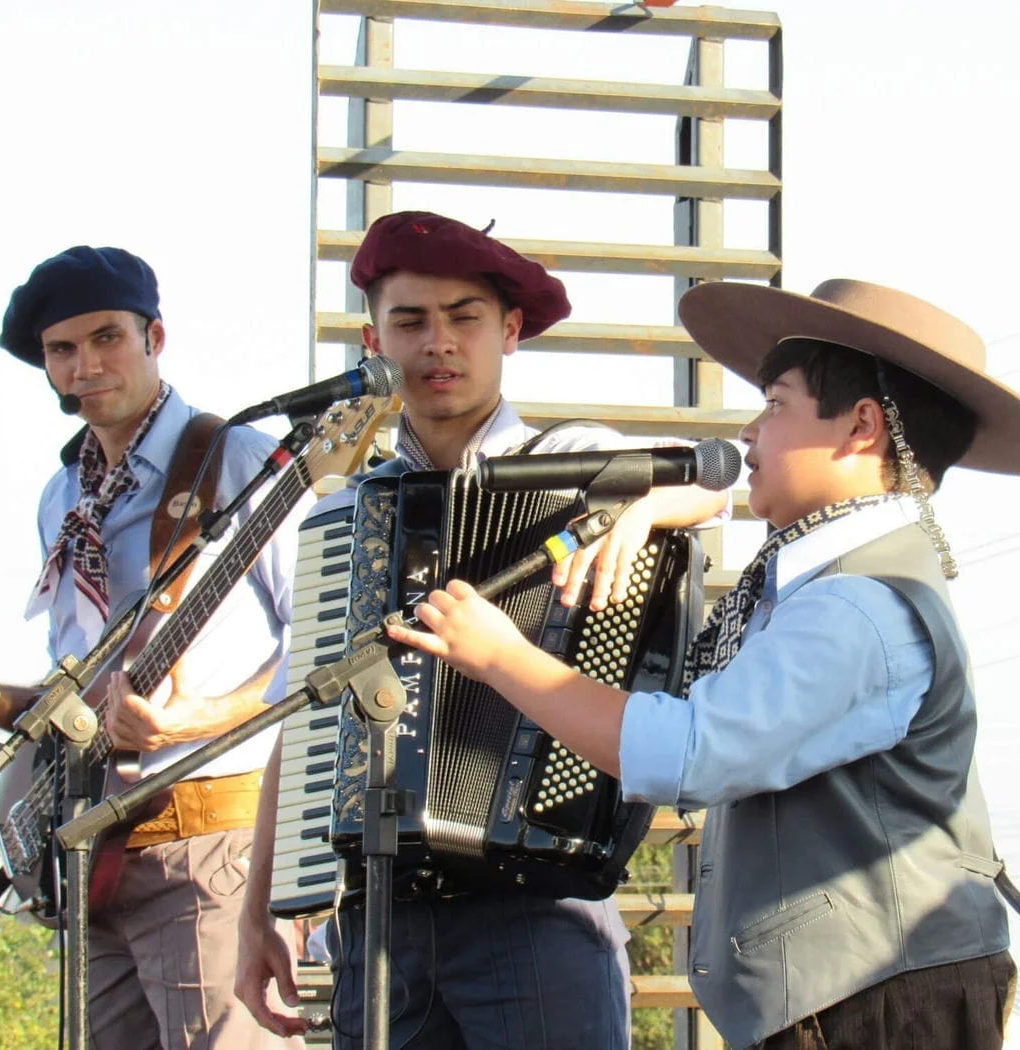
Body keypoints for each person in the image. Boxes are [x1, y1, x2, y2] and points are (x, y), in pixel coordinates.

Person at [385, 277, 1020, 1050]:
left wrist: (502, 658)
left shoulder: (859, 605)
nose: (749, 433)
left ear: (861, 427)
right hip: (850, 997)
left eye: (775, 406)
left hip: (881, 1001)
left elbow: (692, 751)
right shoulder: (817, 584)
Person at [234, 210, 730, 1050]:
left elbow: (709, 483)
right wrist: (259, 911)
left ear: (509, 331)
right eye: (410, 322)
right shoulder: (346, 518)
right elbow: (306, 720)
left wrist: (643, 510)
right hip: (380, 921)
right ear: (373, 342)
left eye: (464, 318)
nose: (439, 343)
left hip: (540, 907)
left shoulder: (573, 460)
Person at [0, 245, 305, 1050]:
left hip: (210, 846)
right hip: (92, 850)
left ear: (154, 337)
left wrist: (204, 716)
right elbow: (82, 687)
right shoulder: (62, 495)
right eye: (62, 350)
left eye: (107, 338)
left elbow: (324, 645)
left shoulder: (238, 461)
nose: (86, 366)